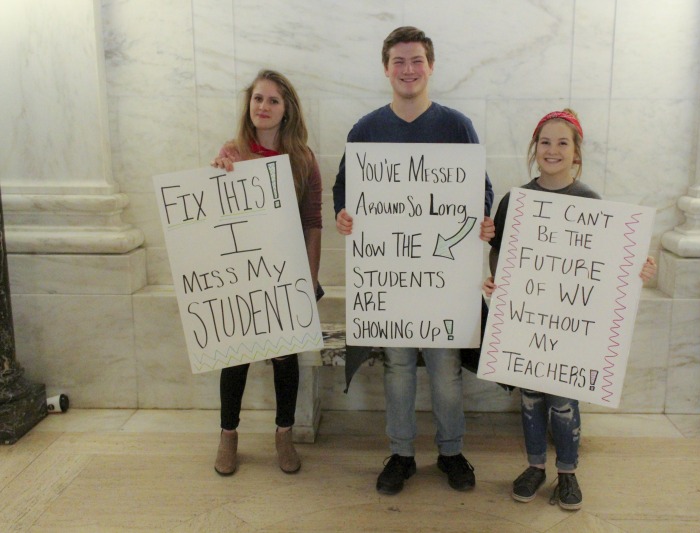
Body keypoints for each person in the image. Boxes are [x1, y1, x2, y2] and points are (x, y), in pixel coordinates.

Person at [333, 26, 495, 495]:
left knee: (445, 369)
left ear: (431, 66)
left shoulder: (456, 126)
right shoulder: (365, 130)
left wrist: (480, 222)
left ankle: (451, 452)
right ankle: (401, 454)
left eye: (417, 60)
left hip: (442, 277)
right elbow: (346, 189)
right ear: (386, 68)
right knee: (398, 367)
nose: (409, 69)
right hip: (391, 277)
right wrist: (345, 215)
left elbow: (478, 190)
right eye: (399, 61)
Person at [483, 109, 657, 510]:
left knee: (563, 400)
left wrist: (638, 269)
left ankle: (567, 472)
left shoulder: (590, 202)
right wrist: (497, 284)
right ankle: (534, 466)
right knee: (529, 397)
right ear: (534, 148)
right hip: (527, 322)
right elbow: (501, 254)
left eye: (563, 142)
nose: (553, 149)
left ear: (576, 152)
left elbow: (608, 264)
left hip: (568, 327)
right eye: (545, 141)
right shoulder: (516, 201)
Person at [210, 69, 322, 476]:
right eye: (258, 98)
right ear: (249, 104)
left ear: (287, 108)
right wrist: (215, 177)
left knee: (284, 358)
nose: (264, 106)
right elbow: (215, 218)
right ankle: (228, 436)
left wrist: (308, 281)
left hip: (286, 270)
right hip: (243, 273)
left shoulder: (304, 159)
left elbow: (313, 222)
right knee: (235, 357)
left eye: (274, 100)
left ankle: (283, 435)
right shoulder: (233, 152)